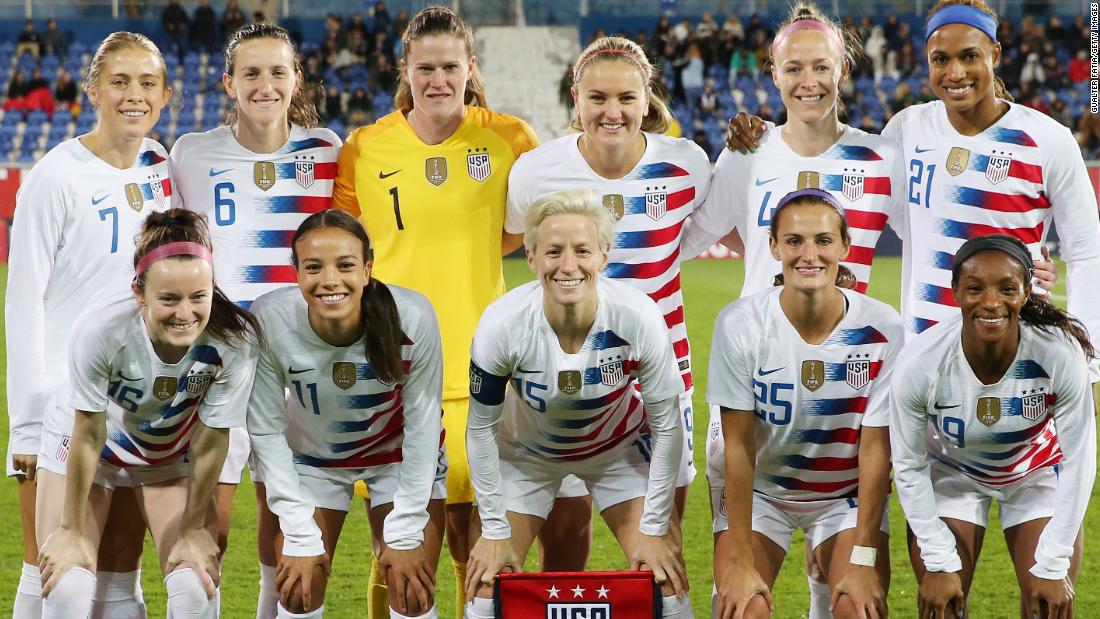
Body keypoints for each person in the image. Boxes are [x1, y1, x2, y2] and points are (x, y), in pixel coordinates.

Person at [332, 7, 538, 617]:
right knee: (400, 557)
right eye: (426, 68)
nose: (439, 79)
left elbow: (516, 234)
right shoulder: (365, 148)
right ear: (406, 69)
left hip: (485, 375)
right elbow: (348, 251)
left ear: (470, 68)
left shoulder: (511, 139)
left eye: (451, 66)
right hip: (396, 375)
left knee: (479, 557)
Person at [506, 35, 709, 569]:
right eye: (597, 98)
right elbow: (517, 243)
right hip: (565, 378)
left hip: (660, 381)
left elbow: (689, 240)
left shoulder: (688, 165)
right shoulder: (535, 171)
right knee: (565, 539)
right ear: (575, 98)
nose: (612, 112)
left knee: (661, 545)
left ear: (648, 99)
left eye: (626, 98)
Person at [168, 22, 342, 618]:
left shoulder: (327, 150)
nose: (264, 85)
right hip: (220, 364)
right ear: (228, 83)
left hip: (300, 366)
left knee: (286, 526)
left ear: (296, 80)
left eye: (277, 72)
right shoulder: (191, 153)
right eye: (251, 73)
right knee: (208, 529)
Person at [5, 31, 174, 618]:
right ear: (93, 90)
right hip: (60, 410)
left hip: (135, 405)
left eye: (147, 83)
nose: (134, 95)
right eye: (120, 81)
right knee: (49, 570)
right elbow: (23, 299)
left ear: (166, 95)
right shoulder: (56, 176)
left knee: (122, 573)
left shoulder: (161, 166)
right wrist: (26, 425)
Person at [463, 188, 691, 619]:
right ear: (530, 257)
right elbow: (480, 430)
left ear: (604, 255)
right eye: (553, 251)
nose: (568, 266)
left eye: (582, 250)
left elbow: (667, 426)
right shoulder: (502, 324)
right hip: (526, 455)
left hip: (617, 452)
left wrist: (656, 528)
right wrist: (494, 529)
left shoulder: (637, 316)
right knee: (484, 584)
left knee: (667, 579)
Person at [35, 208, 260, 619]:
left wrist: (192, 528)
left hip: (169, 456)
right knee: (66, 586)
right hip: (88, 451)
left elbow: (212, 440)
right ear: (140, 292)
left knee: (196, 585)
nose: (185, 313)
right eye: (169, 299)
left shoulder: (234, 341)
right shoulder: (101, 330)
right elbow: (87, 434)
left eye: (198, 297)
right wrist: (70, 530)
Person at [708, 189, 901, 619]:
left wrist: (864, 559)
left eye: (823, 240)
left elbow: (876, 450)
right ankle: (808, 570)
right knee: (742, 609)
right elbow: (737, 447)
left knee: (860, 609)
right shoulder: (740, 324)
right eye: (794, 241)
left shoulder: (884, 327)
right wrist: (738, 559)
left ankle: (825, 578)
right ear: (774, 247)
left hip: (841, 496)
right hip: (762, 493)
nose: (809, 254)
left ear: (846, 246)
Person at [248, 209, 446, 618]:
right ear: (296, 272)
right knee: (298, 589)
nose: (330, 280)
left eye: (345, 265)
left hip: (397, 458)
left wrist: (407, 531)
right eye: (314, 267)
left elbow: (424, 425)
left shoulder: (413, 316)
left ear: (368, 269)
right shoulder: (269, 317)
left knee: (412, 590)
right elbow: (266, 430)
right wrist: (300, 535)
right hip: (313, 461)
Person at [891, 234, 1096, 619]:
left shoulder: (1057, 352)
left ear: (1025, 293)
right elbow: (908, 465)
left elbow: (1079, 460)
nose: (990, 302)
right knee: (941, 607)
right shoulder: (921, 362)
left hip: (1033, 473)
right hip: (955, 474)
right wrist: (936, 559)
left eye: (1006, 289)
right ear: (954, 293)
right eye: (974, 288)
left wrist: (1053, 564)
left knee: (1049, 608)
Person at [882, 0, 1100, 350]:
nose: (955, 73)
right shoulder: (905, 129)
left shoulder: (1048, 140)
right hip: (924, 354)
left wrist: (1088, 363)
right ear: (926, 59)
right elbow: (901, 219)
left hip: (1021, 353)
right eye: (941, 59)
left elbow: (1087, 254)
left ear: (994, 54)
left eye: (969, 56)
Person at [683, 2, 902, 298]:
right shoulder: (745, 154)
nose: (808, 82)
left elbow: (931, 233)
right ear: (775, 74)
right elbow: (695, 236)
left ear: (844, 70)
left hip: (848, 342)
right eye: (794, 68)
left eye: (822, 67)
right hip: (759, 341)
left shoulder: (883, 159)